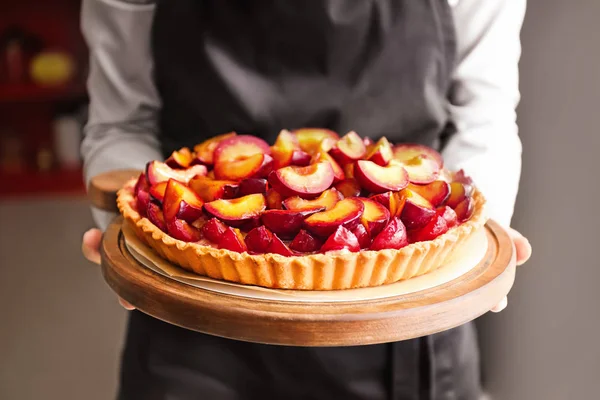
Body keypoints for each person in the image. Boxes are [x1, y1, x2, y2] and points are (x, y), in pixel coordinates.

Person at [80, 0, 532, 399]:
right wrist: (134, 240)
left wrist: (477, 242)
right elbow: (122, 125)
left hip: (407, 322)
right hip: (193, 323)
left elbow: (482, 114)